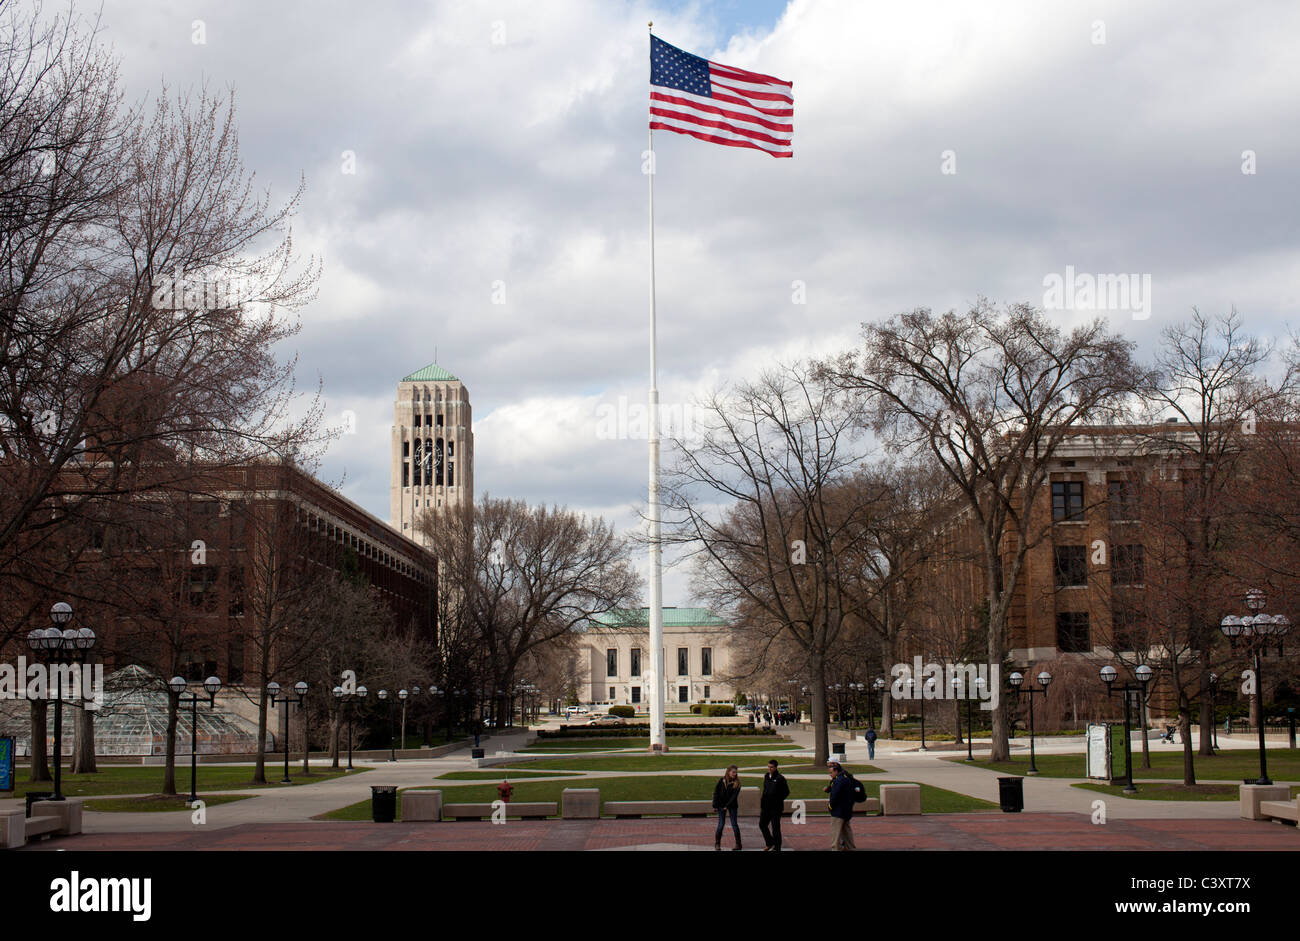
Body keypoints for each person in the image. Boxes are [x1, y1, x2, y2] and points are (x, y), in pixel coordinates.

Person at [824, 761, 857, 851]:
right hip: (846, 811)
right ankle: (851, 848)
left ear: (836, 771)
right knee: (847, 833)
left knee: (836, 833)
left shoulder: (838, 781)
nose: (830, 775)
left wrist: (830, 806)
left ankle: (835, 849)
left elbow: (834, 796)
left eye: (831, 773)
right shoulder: (847, 779)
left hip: (838, 812)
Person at [759, 759, 790, 851]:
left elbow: (786, 792)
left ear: (776, 767)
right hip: (765, 807)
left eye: (771, 767)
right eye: (768, 767)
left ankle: (777, 847)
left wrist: (777, 800)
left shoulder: (780, 778)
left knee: (775, 828)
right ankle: (770, 843)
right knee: (762, 824)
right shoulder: (766, 776)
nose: (769, 768)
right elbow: (765, 790)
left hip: (776, 808)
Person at [712, 764, 743, 851]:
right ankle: (717, 844)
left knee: (734, 824)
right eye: (733, 772)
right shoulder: (722, 780)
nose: (735, 774)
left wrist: (727, 806)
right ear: (728, 772)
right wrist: (715, 805)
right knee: (721, 824)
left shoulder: (737, 783)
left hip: (732, 806)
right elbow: (716, 792)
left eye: (736, 772)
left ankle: (738, 844)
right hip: (721, 805)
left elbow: (734, 797)